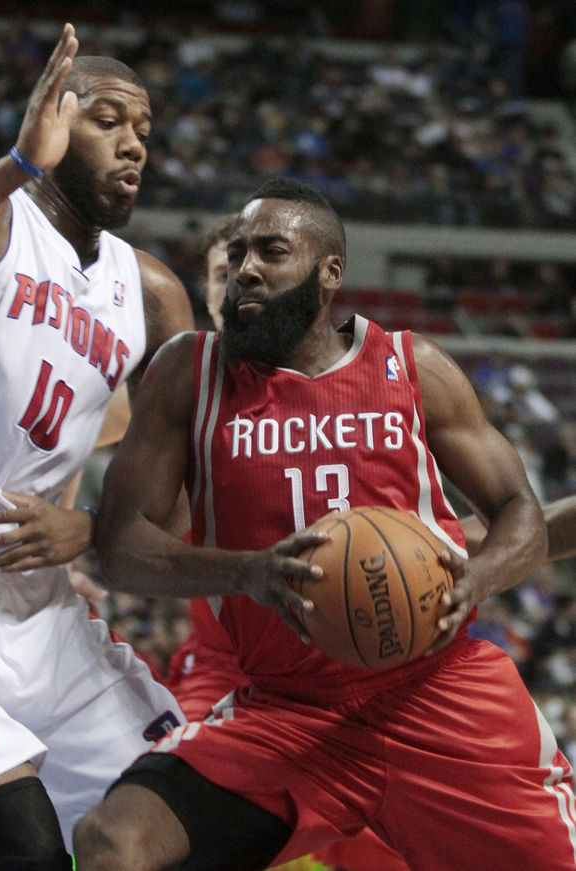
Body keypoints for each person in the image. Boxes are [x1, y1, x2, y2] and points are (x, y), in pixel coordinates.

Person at [73, 177, 576, 871]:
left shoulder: (413, 366)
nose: (247, 268)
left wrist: (477, 578)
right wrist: (248, 571)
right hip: (289, 712)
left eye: (272, 251)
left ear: (329, 270)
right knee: (114, 841)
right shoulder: (190, 372)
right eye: (239, 253)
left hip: (436, 692)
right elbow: (123, 546)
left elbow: (520, 510)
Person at [0, 22, 195, 871]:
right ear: (54, 119)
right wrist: (17, 166)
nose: (133, 143)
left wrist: (93, 529)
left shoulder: (150, 292)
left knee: (179, 824)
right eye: (108, 120)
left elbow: (186, 485)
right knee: (28, 846)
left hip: (39, 607)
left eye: (143, 130)